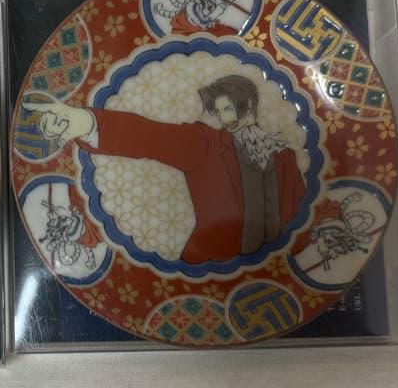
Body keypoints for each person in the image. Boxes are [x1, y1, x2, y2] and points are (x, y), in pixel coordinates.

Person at [23, 75, 304, 263]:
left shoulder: (286, 157)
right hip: (204, 267)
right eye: (220, 113)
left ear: (250, 104)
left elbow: (297, 214)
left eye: (229, 109)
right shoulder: (206, 143)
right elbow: (150, 136)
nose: (224, 119)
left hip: (270, 270)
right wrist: (82, 122)